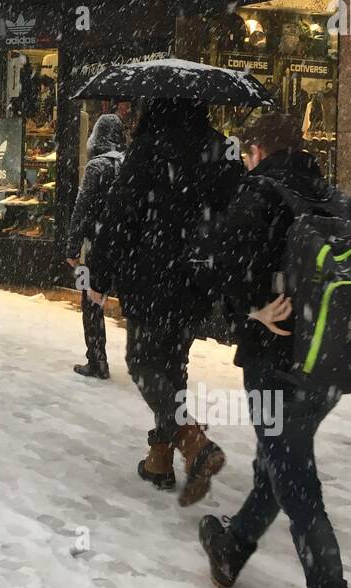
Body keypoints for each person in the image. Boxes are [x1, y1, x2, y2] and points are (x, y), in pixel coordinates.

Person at [198, 114, 351, 588]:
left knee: (294, 476)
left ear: (259, 150)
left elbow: (219, 261)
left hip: (276, 365)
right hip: (332, 368)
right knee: (281, 456)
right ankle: (234, 545)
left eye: (247, 153)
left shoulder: (258, 194)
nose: (246, 161)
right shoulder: (342, 203)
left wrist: (253, 309)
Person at [85, 99, 244, 506]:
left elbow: (121, 214)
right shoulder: (221, 148)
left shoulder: (149, 148)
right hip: (196, 279)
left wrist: (98, 273)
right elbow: (238, 211)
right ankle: (159, 459)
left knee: (142, 363)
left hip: (151, 276)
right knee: (172, 364)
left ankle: (192, 441)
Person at [66, 114, 127, 379]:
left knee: (91, 301)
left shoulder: (96, 167)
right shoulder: (130, 163)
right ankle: (144, 361)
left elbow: (82, 209)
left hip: (99, 245)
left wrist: (72, 249)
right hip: (128, 246)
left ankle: (97, 359)